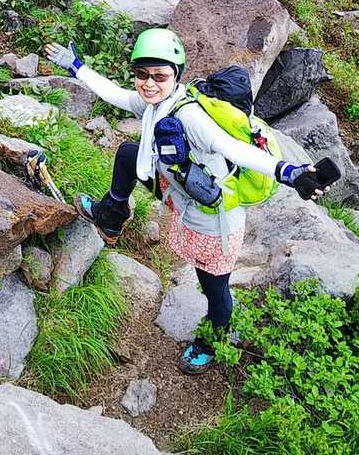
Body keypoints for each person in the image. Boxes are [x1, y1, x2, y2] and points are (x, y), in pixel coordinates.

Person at [45, 27, 331, 375]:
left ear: (176, 75)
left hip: (213, 219)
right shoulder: (156, 102)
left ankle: (211, 341)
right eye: (142, 74)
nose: (149, 83)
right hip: (180, 191)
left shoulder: (189, 116)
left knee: (214, 288)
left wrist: (287, 172)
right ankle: (110, 216)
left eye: (159, 76)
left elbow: (233, 149)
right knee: (128, 154)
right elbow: (116, 95)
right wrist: (77, 67)